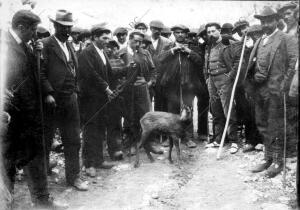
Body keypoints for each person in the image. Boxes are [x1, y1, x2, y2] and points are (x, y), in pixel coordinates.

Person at [3, 10, 67, 209]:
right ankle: (7, 202)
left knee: (35, 155)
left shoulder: (25, 46)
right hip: (12, 117)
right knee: (9, 162)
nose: (35, 33)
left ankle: (41, 200)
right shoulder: (4, 46)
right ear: (21, 27)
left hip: (30, 114)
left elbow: (32, 73)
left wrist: (35, 54)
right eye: (32, 29)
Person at [247, 6, 298, 178]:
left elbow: (292, 64)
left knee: (276, 126)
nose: (265, 24)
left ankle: (277, 161)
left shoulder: (286, 38)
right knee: (262, 124)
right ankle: (267, 158)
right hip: (259, 90)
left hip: (276, 90)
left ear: (277, 20)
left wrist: (284, 85)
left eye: (269, 20)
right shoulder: (260, 40)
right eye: (262, 21)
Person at [41, 9, 88, 190]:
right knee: (46, 140)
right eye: (63, 27)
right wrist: (47, 93)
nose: (67, 30)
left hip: (70, 100)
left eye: (69, 27)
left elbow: (73, 71)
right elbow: (40, 72)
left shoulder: (69, 45)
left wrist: (76, 90)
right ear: (54, 26)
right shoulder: (45, 44)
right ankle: (42, 178)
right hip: (52, 102)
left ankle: (73, 177)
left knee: (73, 140)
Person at [78, 25, 123, 177]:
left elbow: (108, 73)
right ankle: (88, 164)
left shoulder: (103, 52)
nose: (107, 41)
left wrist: (114, 86)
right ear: (94, 38)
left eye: (108, 38)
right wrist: (106, 88)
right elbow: (91, 74)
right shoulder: (86, 53)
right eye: (103, 38)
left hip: (101, 99)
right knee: (90, 130)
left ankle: (98, 160)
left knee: (99, 129)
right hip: (90, 99)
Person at [159, 24, 205, 148]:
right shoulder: (168, 46)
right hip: (172, 85)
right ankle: (170, 138)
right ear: (174, 34)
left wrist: (189, 51)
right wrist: (172, 51)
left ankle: (188, 138)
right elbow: (160, 59)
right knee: (171, 111)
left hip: (188, 84)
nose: (180, 35)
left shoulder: (193, 46)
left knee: (188, 111)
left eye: (182, 33)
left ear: (186, 34)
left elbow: (200, 61)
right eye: (177, 32)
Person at [119, 30, 159, 153]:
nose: (138, 44)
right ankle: (132, 143)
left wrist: (149, 82)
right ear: (129, 40)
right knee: (130, 117)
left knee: (146, 116)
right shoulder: (121, 53)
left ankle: (148, 144)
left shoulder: (145, 53)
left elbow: (153, 70)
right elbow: (116, 72)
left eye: (140, 42)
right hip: (127, 91)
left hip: (142, 90)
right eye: (135, 41)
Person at [203, 22, 239, 154]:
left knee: (228, 109)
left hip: (224, 79)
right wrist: (207, 77)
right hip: (212, 80)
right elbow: (205, 63)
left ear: (219, 31)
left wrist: (230, 76)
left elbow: (237, 61)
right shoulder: (208, 45)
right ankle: (218, 139)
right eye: (208, 32)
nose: (211, 34)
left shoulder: (228, 43)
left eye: (213, 31)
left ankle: (234, 140)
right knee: (216, 110)